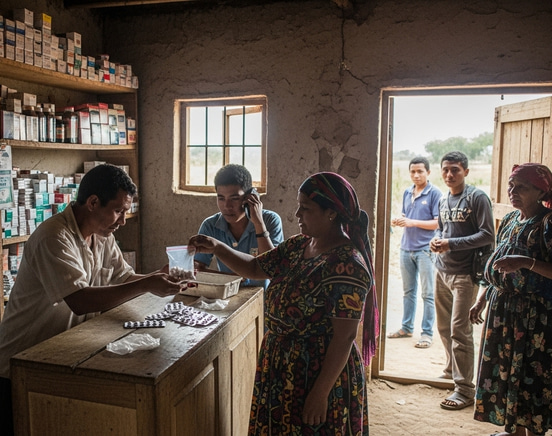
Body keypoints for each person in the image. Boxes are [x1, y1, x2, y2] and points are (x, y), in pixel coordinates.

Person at [0, 164, 182, 435]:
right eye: (118, 210)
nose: (123, 220)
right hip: (20, 363)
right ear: (92, 202)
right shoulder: (54, 236)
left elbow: (123, 278)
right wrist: (148, 284)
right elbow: (79, 300)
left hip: (61, 355)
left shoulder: (102, 236)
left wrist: (158, 276)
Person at [188, 172, 378, 435]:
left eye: (306, 208)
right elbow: (256, 267)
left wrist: (320, 394)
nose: (297, 213)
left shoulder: (347, 265)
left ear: (331, 213)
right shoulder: (301, 245)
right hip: (282, 366)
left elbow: (344, 338)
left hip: (317, 373)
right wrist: (217, 247)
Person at [469, 163, 552, 436]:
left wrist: (528, 262)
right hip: (503, 311)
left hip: (536, 316)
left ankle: (532, 431)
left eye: (522, 187)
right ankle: (514, 430)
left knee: (532, 375)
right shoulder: (509, 220)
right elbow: (500, 266)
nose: (513, 191)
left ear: (540, 191)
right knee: (506, 372)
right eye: (511, 185)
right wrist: (483, 298)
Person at [429, 151, 495, 411]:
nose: (449, 174)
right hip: (442, 270)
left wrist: (450, 244)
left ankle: (465, 390)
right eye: (445, 169)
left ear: (466, 172)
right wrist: (437, 239)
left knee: (460, 331)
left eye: (455, 170)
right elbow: (442, 228)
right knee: (444, 328)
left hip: (465, 275)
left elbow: (488, 235)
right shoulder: (444, 197)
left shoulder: (476, 198)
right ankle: (452, 369)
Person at [194, 164, 283, 287]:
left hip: (261, 299)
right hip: (226, 298)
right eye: (221, 198)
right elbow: (197, 268)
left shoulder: (270, 220)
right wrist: (233, 279)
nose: (227, 206)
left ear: (250, 197)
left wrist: (258, 223)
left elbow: (272, 269)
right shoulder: (210, 225)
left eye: (234, 198)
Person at [388, 156, 443, 349]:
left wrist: (412, 222)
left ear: (428, 172)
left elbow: (438, 222)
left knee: (428, 294)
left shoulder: (435, 193)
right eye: (413, 171)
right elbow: (406, 216)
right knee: (408, 292)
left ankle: (427, 334)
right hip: (406, 248)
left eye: (420, 171)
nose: (416, 175)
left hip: (426, 250)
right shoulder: (407, 192)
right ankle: (406, 327)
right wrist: (400, 220)